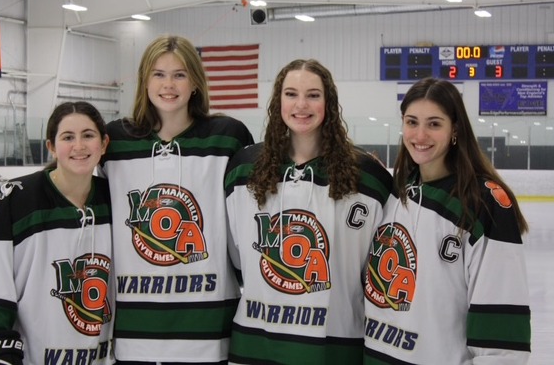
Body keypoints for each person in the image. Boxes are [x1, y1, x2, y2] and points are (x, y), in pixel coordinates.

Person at [224, 59, 392, 364]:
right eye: (291, 94)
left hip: (335, 346)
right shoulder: (243, 168)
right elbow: (237, 257)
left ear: (329, 102)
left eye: (313, 95)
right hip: (255, 343)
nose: (301, 105)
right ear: (278, 102)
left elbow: (375, 271)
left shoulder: (368, 177)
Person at [98, 35, 254, 364]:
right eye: (159, 74)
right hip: (135, 329)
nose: (168, 85)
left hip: (209, 324)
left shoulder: (228, 136)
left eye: (179, 75)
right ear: (144, 80)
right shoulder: (115, 142)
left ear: (195, 82)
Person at [363, 77, 531, 364]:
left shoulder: (483, 204)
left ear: (455, 129)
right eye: (412, 122)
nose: (420, 135)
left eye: (434, 124)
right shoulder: (394, 192)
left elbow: (502, 342)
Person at [0, 101, 114, 365]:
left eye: (88, 135)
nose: (79, 146)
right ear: (51, 146)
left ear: (103, 144)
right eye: (68, 137)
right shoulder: (12, 200)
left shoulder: (115, 198)